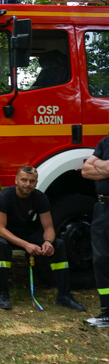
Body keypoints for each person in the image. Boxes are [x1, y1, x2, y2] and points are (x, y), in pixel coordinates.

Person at [0, 166, 86, 311]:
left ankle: (64, 296)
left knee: (58, 244)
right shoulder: (4, 196)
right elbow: (0, 229)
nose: (27, 184)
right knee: (0, 246)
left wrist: (48, 242)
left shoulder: (40, 197)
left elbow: (48, 228)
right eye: (23, 180)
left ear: (36, 183)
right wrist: (26, 245)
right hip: (5, 233)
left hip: (26, 232)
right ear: (16, 180)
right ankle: (3, 294)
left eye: (31, 181)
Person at [81, 139, 109, 328]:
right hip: (102, 208)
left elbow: (94, 167)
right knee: (101, 259)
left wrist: (96, 164)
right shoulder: (106, 142)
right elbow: (85, 170)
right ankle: (107, 311)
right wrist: (104, 167)